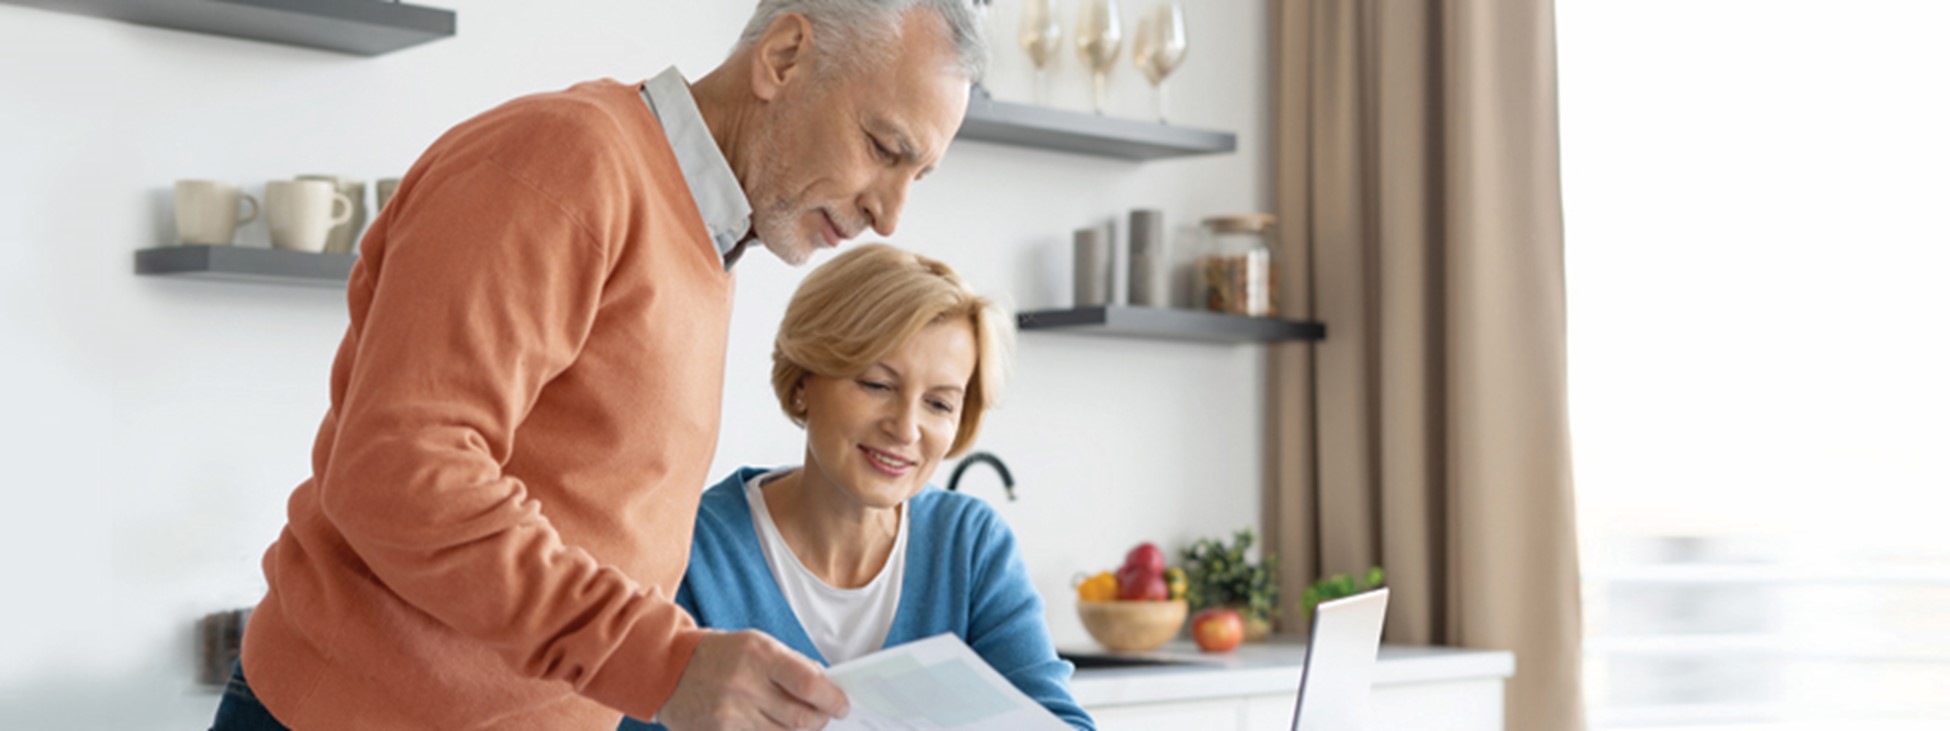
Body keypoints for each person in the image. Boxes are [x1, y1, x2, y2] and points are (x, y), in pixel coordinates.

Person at [208, 2, 987, 729]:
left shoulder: (703, 241)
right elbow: (400, 472)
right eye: (884, 150)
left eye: (916, 176)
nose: (889, 213)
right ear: (783, 58)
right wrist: (663, 660)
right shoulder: (566, 159)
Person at [620, 244, 1096, 731]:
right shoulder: (692, 548)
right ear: (804, 379)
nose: (907, 429)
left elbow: (1059, 722)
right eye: (876, 384)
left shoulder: (970, 544)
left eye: (938, 404)